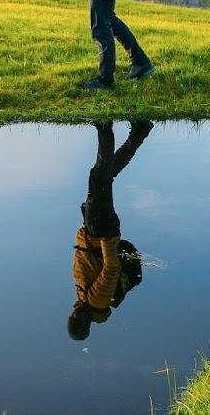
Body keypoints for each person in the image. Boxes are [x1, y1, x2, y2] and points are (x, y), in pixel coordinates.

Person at [68, 120, 153, 341]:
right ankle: (105, 126)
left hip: (95, 230)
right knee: (99, 175)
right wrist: (106, 238)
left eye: (72, 319)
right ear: (87, 324)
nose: (75, 315)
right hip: (101, 230)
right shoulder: (97, 301)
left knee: (107, 174)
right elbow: (111, 268)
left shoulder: (86, 301)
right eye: (78, 321)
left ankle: (141, 131)